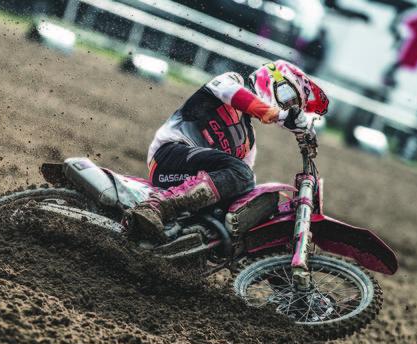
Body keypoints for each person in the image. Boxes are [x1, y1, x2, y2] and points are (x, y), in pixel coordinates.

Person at [127, 60, 329, 240]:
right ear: (270, 79)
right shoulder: (231, 80)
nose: (287, 106)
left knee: (248, 190)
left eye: (292, 105)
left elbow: (238, 185)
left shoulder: (249, 142)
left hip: (192, 180)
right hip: (168, 157)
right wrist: (276, 114)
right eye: (287, 97)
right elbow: (229, 92)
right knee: (242, 173)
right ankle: (156, 206)